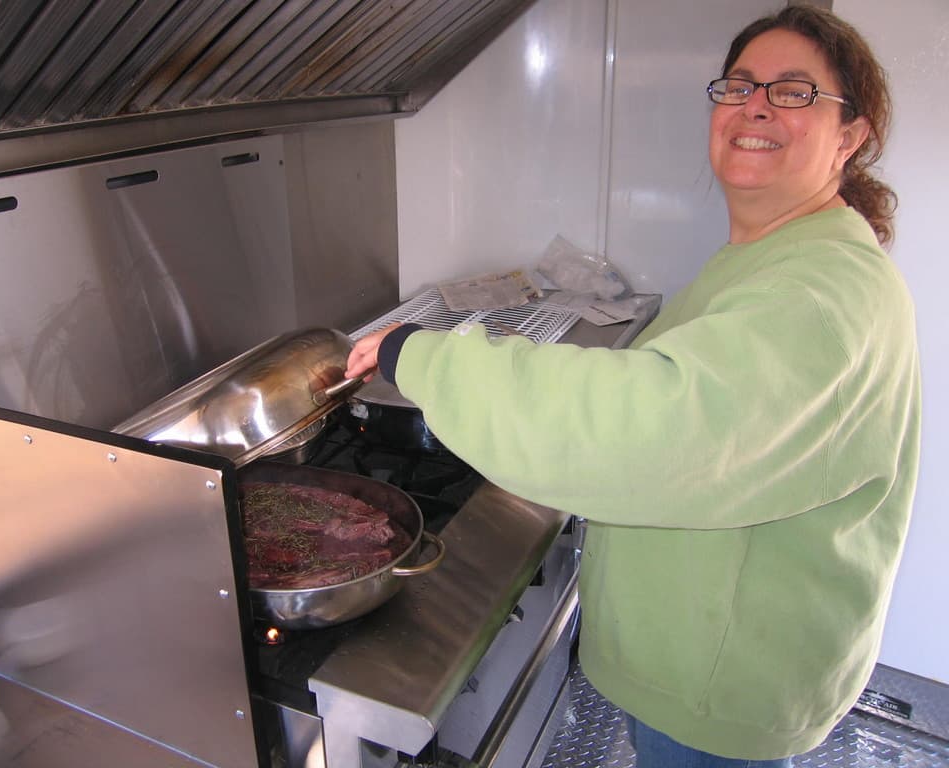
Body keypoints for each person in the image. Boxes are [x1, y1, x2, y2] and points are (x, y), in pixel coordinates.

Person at [345, 6, 920, 767]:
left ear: (851, 135)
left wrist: (422, 357)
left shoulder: (817, 292)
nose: (754, 106)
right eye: (741, 85)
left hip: (718, 695)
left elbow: (653, 429)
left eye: (793, 92)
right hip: (724, 663)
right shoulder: (786, 256)